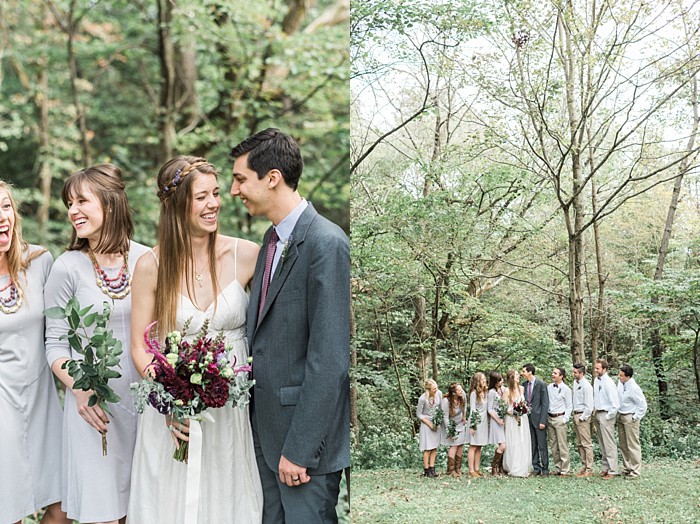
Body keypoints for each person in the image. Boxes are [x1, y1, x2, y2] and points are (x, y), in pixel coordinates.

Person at [128, 155, 264, 522]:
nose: (214, 204)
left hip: (231, 411)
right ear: (177, 204)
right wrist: (169, 400)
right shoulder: (150, 267)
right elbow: (139, 346)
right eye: (202, 197)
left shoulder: (248, 255)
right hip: (173, 414)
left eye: (216, 194)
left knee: (227, 500)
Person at [230, 128, 350, 523]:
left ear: (273, 178)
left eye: (240, 179)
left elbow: (329, 359)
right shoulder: (270, 241)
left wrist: (299, 449)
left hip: (303, 451)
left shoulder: (326, 243)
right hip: (264, 438)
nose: (234, 190)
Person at [44, 165, 150, 524]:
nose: (73, 210)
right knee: (103, 515)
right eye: (69, 203)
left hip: (146, 408)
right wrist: (80, 389)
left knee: (144, 510)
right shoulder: (67, 267)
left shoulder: (148, 259)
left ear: (110, 202)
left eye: (82, 201)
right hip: (94, 411)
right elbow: (55, 344)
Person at [0, 181, 69, 524]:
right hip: (2, 402)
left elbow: (61, 329)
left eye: (5, 207)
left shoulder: (39, 261)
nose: (1, 217)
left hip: (43, 397)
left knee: (63, 502)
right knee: (7, 506)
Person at [617, 364, 647, 479]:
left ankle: (635, 471)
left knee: (633, 444)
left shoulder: (634, 388)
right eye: (619, 375)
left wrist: (635, 417)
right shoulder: (620, 384)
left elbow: (642, 404)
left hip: (630, 417)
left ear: (628, 376)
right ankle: (627, 467)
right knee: (623, 444)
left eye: (622, 376)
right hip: (621, 415)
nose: (619, 377)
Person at [593, 358, 619, 479]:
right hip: (597, 413)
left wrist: (608, 416)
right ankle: (605, 468)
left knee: (609, 443)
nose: (596, 370)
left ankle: (613, 470)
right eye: (595, 368)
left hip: (606, 414)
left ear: (604, 369)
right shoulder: (596, 381)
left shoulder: (609, 383)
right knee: (602, 442)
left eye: (598, 368)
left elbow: (615, 404)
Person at [502, 369, 531, 477]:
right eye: (516, 375)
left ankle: (523, 466)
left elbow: (523, 403)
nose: (519, 376)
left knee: (522, 441)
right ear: (511, 378)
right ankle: (513, 466)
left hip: (522, 419)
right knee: (514, 441)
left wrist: (523, 409)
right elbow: (504, 407)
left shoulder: (522, 388)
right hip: (511, 420)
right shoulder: (507, 390)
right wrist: (513, 413)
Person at [521, 363, 549, 476]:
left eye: (523, 371)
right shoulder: (524, 385)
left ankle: (545, 469)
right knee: (532, 444)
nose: (522, 374)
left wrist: (543, 420)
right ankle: (536, 467)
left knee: (542, 445)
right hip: (527, 419)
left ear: (530, 372)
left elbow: (545, 404)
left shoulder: (541, 384)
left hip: (539, 419)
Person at [546, 367, 572, 476]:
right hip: (550, 418)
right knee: (553, 445)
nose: (553, 374)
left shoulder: (566, 389)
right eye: (553, 372)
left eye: (555, 373)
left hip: (560, 418)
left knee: (562, 444)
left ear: (561, 376)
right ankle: (558, 467)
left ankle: (565, 469)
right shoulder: (549, 387)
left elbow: (569, 406)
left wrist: (564, 419)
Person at [440, 382, 468, 477]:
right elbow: (445, 418)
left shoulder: (462, 395)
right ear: (453, 393)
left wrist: (464, 416)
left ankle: (458, 468)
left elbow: (465, 405)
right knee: (454, 445)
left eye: (461, 389)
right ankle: (450, 470)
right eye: (459, 390)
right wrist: (450, 431)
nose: (461, 391)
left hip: (460, 423)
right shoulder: (446, 401)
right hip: (451, 425)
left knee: (460, 445)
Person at [571, 362, 594, 477]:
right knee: (579, 443)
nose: (573, 374)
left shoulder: (587, 386)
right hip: (575, 414)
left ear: (581, 373)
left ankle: (589, 468)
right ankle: (583, 465)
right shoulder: (575, 383)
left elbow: (590, 406)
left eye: (575, 372)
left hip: (582, 416)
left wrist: (582, 418)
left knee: (586, 443)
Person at [416, 379, 442, 478]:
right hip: (426, 423)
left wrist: (438, 421)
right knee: (427, 448)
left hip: (436, 421)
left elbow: (440, 408)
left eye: (436, 387)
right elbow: (418, 414)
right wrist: (429, 424)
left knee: (434, 447)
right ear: (428, 389)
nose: (436, 389)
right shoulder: (423, 399)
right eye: (434, 388)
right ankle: (426, 470)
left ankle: (432, 468)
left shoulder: (439, 393)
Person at [467, 372, 489, 478]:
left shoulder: (485, 392)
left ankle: (477, 468)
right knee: (473, 446)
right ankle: (471, 470)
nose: (485, 380)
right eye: (483, 379)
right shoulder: (474, 393)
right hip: (476, 422)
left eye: (485, 378)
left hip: (484, 422)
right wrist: (472, 425)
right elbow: (472, 410)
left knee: (479, 446)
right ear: (477, 381)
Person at [487, 371, 506, 476]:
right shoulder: (491, 392)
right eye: (500, 380)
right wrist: (498, 419)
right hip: (496, 421)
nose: (502, 381)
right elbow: (489, 409)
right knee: (502, 445)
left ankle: (501, 467)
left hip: (504, 420)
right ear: (495, 382)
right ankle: (494, 467)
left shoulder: (503, 389)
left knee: (505, 445)